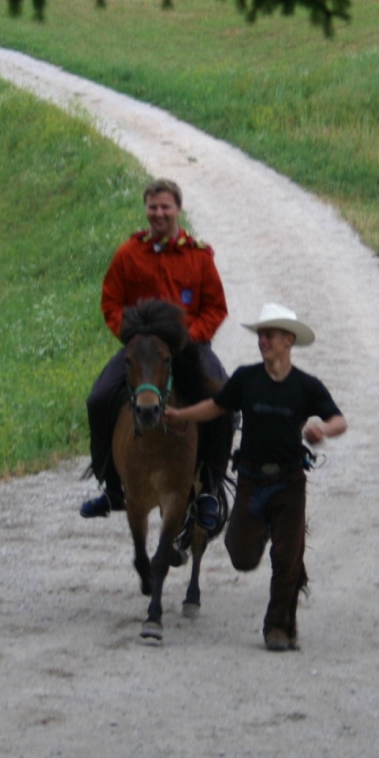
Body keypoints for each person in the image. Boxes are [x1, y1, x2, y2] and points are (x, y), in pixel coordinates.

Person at [164, 302, 347, 652]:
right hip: (250, 480)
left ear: (288, 340)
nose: (263, 341)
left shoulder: (306, 386)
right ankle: (264, 532)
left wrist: (323, 430)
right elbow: (217, 406)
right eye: (261, 335)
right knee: (241, 556)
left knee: (286, 559)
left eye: (270, 335)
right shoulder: (246, 379)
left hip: (290, 483)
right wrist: (181, 415)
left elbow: (339, 421)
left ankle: (279, 628)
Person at [81, 178, 232, 530]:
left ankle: (210, 488)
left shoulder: (198, 256)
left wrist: (187, 338)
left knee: (224, 404)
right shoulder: (129, 253)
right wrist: (131, 336)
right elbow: (111, 302)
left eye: (165, 207)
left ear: (178, 209)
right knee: (99, 399)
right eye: (153, 207)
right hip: (143, 351)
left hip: (190, 348)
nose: (159, 213)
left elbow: (215, 308)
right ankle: (111, 486)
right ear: (146, 209)